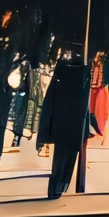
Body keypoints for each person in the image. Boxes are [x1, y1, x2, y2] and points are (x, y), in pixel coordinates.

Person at [40, 51, 92, 201]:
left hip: (67, 112)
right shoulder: (79, 71)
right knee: (69, 146)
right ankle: (60, 184)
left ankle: (59, 184)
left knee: (66, 147)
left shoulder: (69, 71)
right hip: (71, 111)